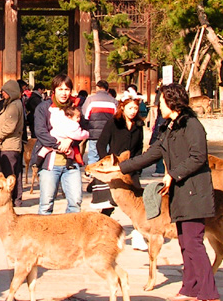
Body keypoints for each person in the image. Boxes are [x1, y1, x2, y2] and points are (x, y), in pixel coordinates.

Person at [117, 83, 221, 301]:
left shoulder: (192, 125)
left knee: (194, 243)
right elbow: (152, 154)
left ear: (172, 102)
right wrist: (119, 168)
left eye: (160, 101)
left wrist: (173, 174)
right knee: (185, 243)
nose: (157, 105)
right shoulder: (169, 128)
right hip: (179, 194)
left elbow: (198, 157)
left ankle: (210, 296)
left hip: (195, 192)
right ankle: (190, 288)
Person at [34, 74, 85, 215]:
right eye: (60, 89)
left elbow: (85, 128)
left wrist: (70, 141)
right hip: (50, 163)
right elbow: (40, 132)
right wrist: (58, 145)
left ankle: (70, 235)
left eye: (67, 89)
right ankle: (43, 235)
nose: (64, 93)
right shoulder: (43, 108)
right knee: (46, 203)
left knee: (76, 201)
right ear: (54, 90)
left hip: (71, 162)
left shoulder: (75, 107)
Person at [92, 92, 145, 227]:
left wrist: (138, 166)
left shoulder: (138, 125)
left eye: (135, 108)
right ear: (123, 107)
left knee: (138, 200)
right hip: (114, 168)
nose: (133, 111)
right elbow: (101, 144)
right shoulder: (113, 123)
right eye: (130, 108)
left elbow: (139, 146)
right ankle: (100, 226)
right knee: (110, 202)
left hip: (131, 167)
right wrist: (107, 163)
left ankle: (139, 230)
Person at [0, 80, 25, 207]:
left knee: (8, 173)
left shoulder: (14, 105)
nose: (2, 93)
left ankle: (11, 199)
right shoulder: (12, 104)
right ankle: (16, 199)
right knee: (14, 172)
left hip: (9, 144)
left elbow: (10, 125)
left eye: (5, 91)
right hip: (9, 144)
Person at [81, 80, 117, 166]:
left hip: (94, 132)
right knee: (105, 156)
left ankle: (92, 176)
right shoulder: (113, 101)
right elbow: (117, 118)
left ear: (97, 88)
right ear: (107, 90)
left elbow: (85, 116)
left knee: (93, 156)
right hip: (108, 134)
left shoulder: (90, 100)